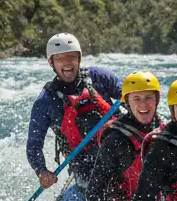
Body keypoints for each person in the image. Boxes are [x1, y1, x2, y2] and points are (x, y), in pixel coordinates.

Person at [25, 33, 123, 191]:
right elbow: (34, 145)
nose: (67, 63)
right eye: (60, 59)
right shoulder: (45, 101)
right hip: (85, 166)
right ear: (51, 62)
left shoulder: (101, 78)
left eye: (71, 57)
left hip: (120, 151)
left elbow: (134, 99)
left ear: (79, 58)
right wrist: (41, 171)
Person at [86, 71, 162, 201]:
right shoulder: (116, 139)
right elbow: (94, 189)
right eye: (137, 99)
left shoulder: (166, 131)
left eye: (148, 98)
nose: (143, 105)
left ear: (157, 100)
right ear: (127, 102)